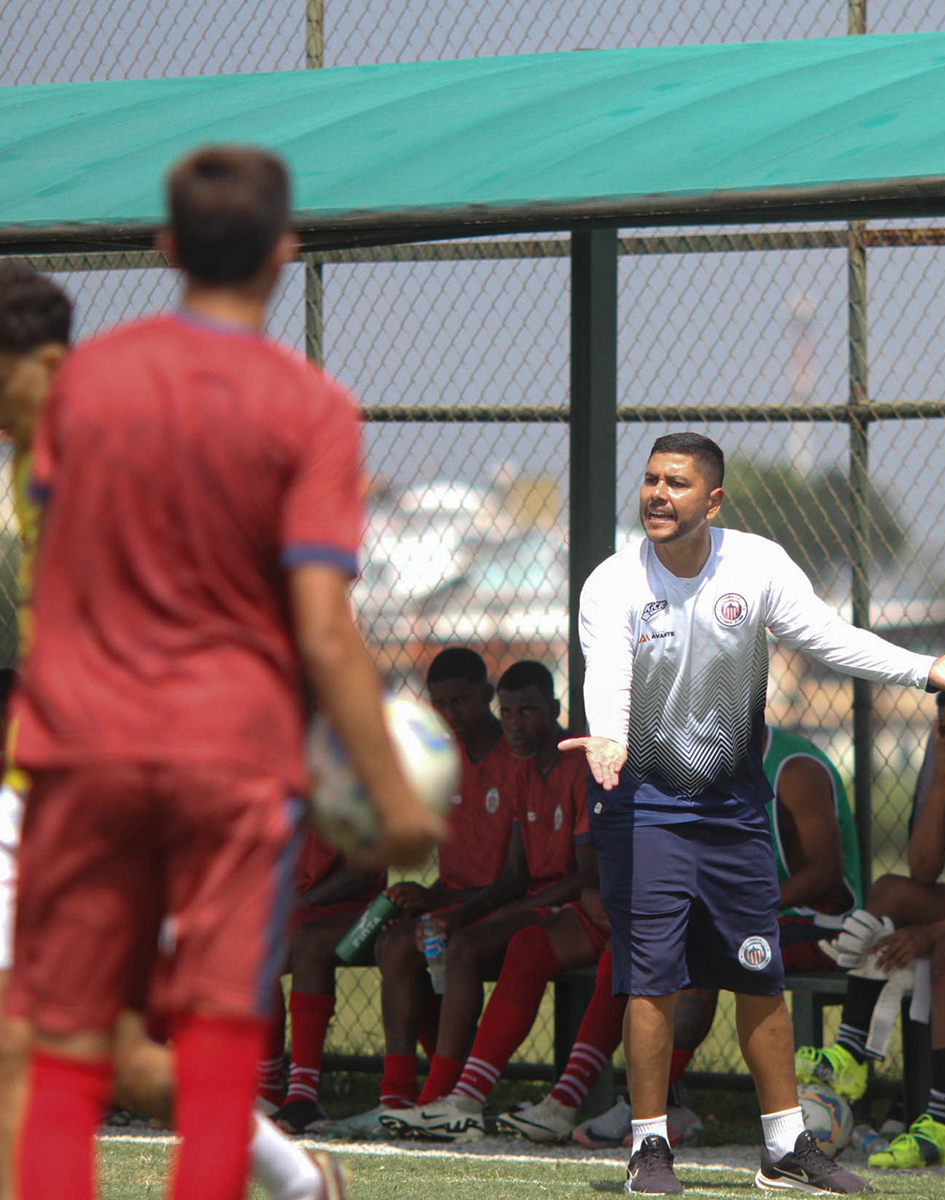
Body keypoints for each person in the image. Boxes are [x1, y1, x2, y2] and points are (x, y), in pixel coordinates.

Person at [4, 149, 442, 1200]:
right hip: (230, 762)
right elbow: (325, 629)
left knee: (59, 1052)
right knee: (207, 1063)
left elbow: (57, 564)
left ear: (165, 249)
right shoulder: (312, 408)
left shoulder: (92, 380)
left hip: (81, 750)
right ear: (285, 251)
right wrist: (393, 797)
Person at [0, 262, 347, 1200]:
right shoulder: (38, 455)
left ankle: (294, 1175)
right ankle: (297, 1177)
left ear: (38, 361)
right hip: (47, 777)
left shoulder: (124, 436)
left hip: (130, 780)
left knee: (81, 1047)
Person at [564, 431, 945, 1195]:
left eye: (678, 484)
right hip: (646, 804)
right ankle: (648, 1149)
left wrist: (927, 670)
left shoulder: (755, 565)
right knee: (655, 982)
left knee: (759, 975)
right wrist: (606, 739)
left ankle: (785, 1147)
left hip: (733, 810)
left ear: (713, 500)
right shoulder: (611, 583)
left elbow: (829, 639)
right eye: (652, 481)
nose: (659, 495)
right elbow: (609, 677)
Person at [497, 722, 864, 1148]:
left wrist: (727, 915)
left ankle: (656, 1110)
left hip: (819, 920)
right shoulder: (693, 765)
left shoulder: (795, 768)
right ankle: (594, 1102)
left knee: (698, 953)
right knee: (642, 949)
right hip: (751, 914)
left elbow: (827, 878)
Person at [795, 691, 945, 1169]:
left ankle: (944, 1122)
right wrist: (944, 777)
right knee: (890, 890)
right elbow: (923, 869)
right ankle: (850, 1054)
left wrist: (932, 932)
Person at [380, 658, 600, 1141]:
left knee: (469, 946)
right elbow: (515, 874)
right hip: (533, 903)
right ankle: (433, 1098)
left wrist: (505, 912)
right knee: (438, 940)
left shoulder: (578, 767)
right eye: (510, 713)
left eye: (528, 711)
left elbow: (586, 875)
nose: (516, 724)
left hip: (579, 907)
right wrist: (460, 912)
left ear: (555, 709)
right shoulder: (522, 770)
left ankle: (449, 1098)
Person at [322, 646, 519, 1135]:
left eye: (461, 701)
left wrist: (439, 903)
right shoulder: (441, 759)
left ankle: (442, 1097)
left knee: (446, 948)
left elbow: (515, 878)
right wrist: (421, 893)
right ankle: (396, 1097)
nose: (451, 714)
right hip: (452, 902)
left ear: (487, 695)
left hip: (499, 908)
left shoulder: (513, 757)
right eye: (440, 704)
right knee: (393, 942)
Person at [264, 830, 387, 1131]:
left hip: (353, 906)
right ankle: (262, 1092)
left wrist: (293, 902)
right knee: (240, 936)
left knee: (285, 942)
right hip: (295, 905)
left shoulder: (354, 787)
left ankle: (299, 1096)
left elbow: (360, 875)